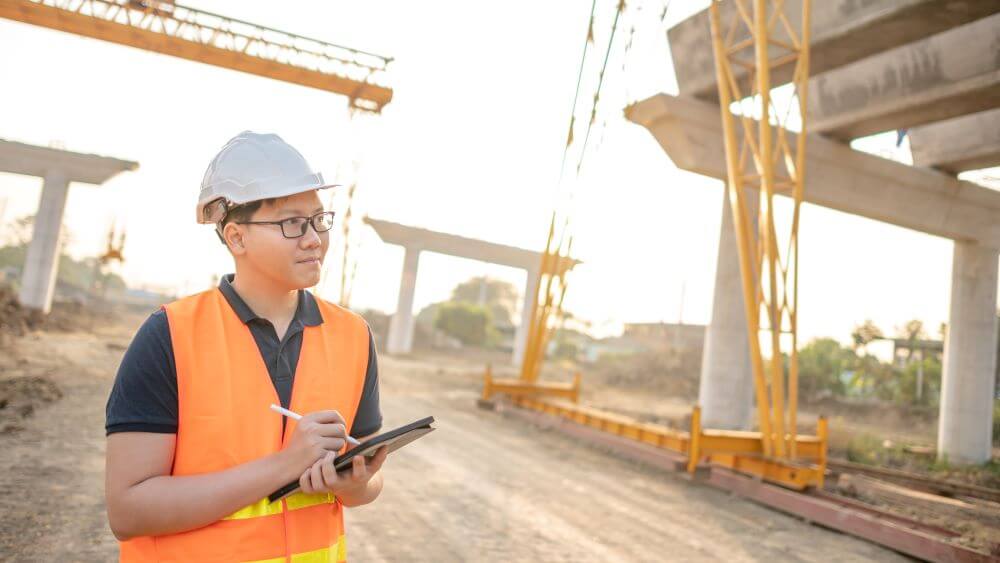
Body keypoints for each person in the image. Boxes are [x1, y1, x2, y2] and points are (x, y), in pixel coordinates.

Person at [104, 131, 385, 562]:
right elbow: (128, 510)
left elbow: (367, 480)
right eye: (292, 223)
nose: (314, 238)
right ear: (236, 238)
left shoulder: (353, 335)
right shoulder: (170, 335)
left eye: (318, 219)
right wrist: (286, 465)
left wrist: (355, 484)